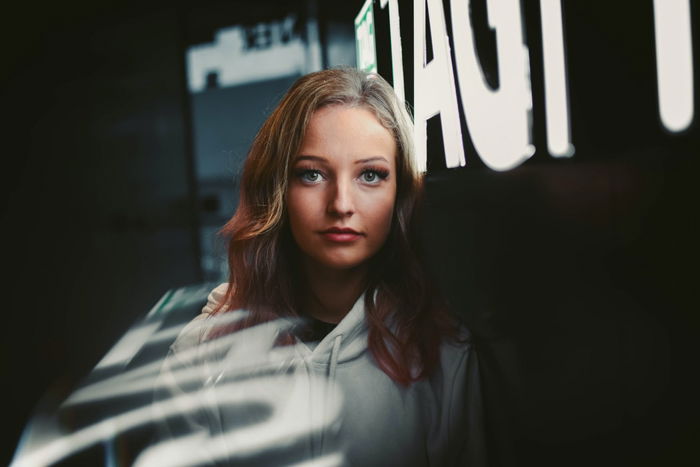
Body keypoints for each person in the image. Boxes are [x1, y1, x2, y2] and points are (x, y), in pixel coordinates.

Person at [153, 68, 484, 466]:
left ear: (401, 195)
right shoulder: (203, 354)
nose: (341, 203)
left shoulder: (440, 351)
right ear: (277, 189)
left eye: (371, 175)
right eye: (312, 174)